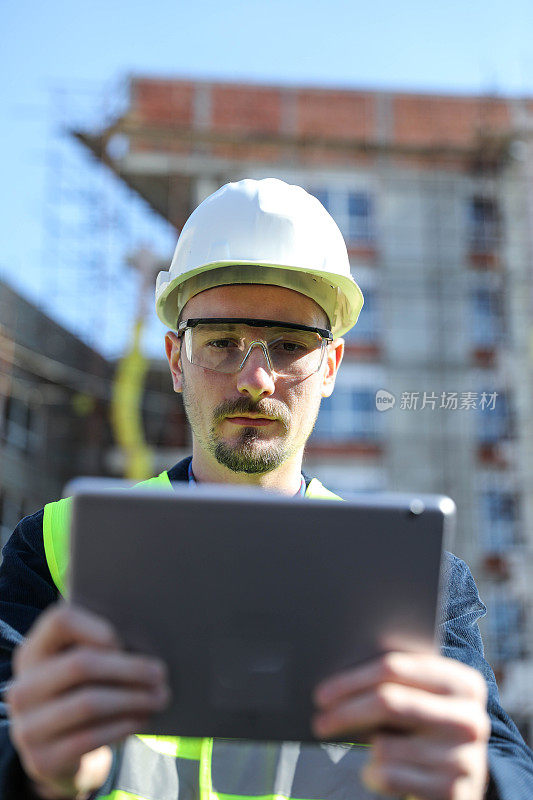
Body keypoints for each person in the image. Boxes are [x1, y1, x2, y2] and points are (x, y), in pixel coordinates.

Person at [0, 178, 532, 800]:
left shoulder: (419, 579)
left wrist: (479, 783)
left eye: (289, 346)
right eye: (222, 342)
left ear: (330, 368)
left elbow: (510, 769)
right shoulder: (60, 546)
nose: (256, 378)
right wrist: (33, 768)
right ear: (175, 360)